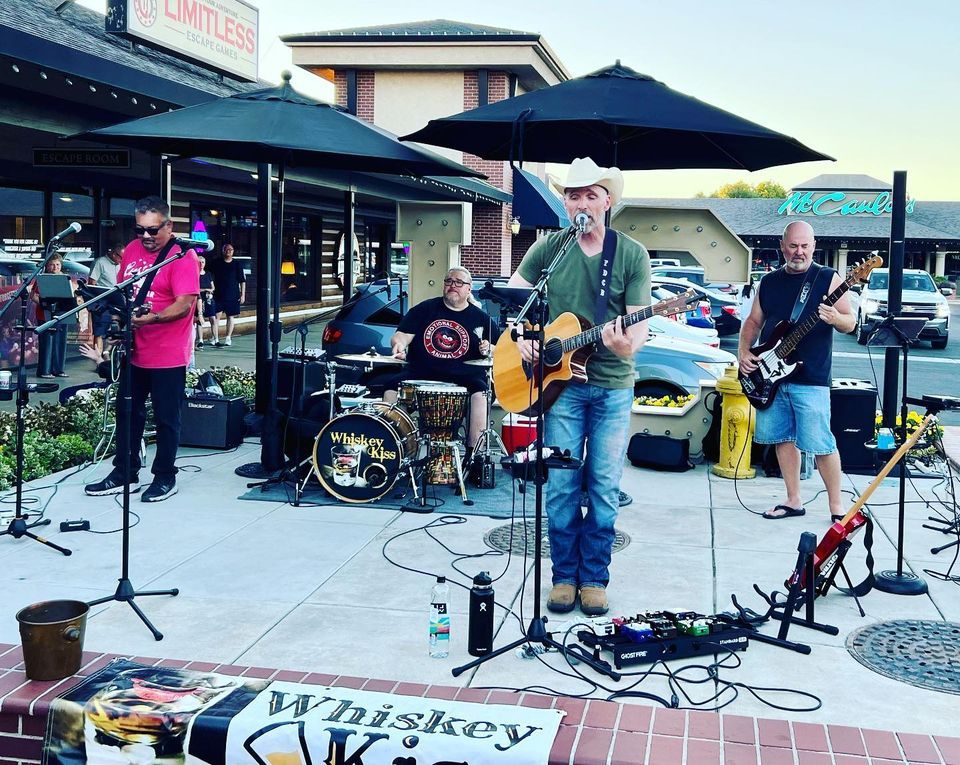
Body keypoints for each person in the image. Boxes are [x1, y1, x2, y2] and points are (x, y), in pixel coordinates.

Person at [507, 157, 651, 617]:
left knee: (604, 485)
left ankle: (594, 578)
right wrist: (523, 338)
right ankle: (563, 577)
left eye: (591, 194)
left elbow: (638, 332)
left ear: (608, 200)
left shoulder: (630, 254)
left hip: (611, 386)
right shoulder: (550, 248)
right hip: (559, 386)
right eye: (574, 194)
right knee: (563, 485)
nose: (582, 202)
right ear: (565, 203)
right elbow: (515, 300)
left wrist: (623, 344)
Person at [84, 195, 200, 503]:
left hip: (168, 352)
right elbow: (124, 292)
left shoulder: (182, 256)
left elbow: (186, 303)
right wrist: (119, 319)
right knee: (128, 414)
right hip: (134, 349)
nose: (145, 237)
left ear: (169, 225)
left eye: (153, 230)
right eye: (139, 230)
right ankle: (125, 471)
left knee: (165, 418)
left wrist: (152, 319)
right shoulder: (133, 250)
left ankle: (164, 476)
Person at [738, 220, 855, 521]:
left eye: (805, 245)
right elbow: (753, 322)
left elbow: (850, 322)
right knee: (782, 438)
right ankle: (793, 500)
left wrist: (833, 318)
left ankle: (836, 507)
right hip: (771, 373)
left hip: (811, 377)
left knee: (821, 443)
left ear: (814, 246)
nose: (799, 252)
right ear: (782, 246)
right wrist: (743, 351)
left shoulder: (828, 279)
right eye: (793, 245)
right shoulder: (770, 281)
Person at [385, 266, 498, 455]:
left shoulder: (482, 319)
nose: (453, 285)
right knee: (391, 387)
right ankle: (395, 452)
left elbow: (498, 348)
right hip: (422, 372)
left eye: (459, 282)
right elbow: (402, 335)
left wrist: (488, 348)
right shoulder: (425, 309)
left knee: (482, 394)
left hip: (465, 376)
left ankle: (474, 457)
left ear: (469, 288)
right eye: (449, 281)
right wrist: (399, 344)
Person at [30, 253, 70, 379]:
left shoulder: (65, 277)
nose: (55, 267)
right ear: (47, 266)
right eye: (52, 265)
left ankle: (58, 370)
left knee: (60, 341)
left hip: (62, 313)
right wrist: (43, 304)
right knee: (47, 342)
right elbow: (33, 295)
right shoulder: (42, 278)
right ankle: (44, 371)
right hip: (45, 313)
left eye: (57, 264)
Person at [88, 244, 123, 355]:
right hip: (102, 301)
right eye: (121, 257)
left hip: (117, 301)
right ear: (114, 254)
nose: (122, 260)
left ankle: (107, 354)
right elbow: (91, 283)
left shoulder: (120, 265)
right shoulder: (100, 263)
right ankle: (98, 358)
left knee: (115, 329)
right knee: (99, 330)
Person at [208, 243, 245, 346]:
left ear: (233, 251)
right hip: (218, 294)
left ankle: (228, 337)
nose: (228, 251)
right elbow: (207, 273)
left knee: (231, 317)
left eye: (230, 249)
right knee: (216, 317)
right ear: (223, 250)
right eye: (226, 249)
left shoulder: (237, 264)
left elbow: (242, 280)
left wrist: (243, 295)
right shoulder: (216, 262)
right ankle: (215, 337)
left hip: (233, 294)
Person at [195, 254, 216, 348]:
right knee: (200, 320)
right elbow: (195, 289)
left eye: (203, 262)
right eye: (199, 262)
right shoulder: (195, 274)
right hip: (199, 298)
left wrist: (208, 290)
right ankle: (200, 340)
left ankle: (216, 339)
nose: (201, 264)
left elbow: (213, 287)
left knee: (213, 318)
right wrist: (204, 289)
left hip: (208, 298)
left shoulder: (208, 274)